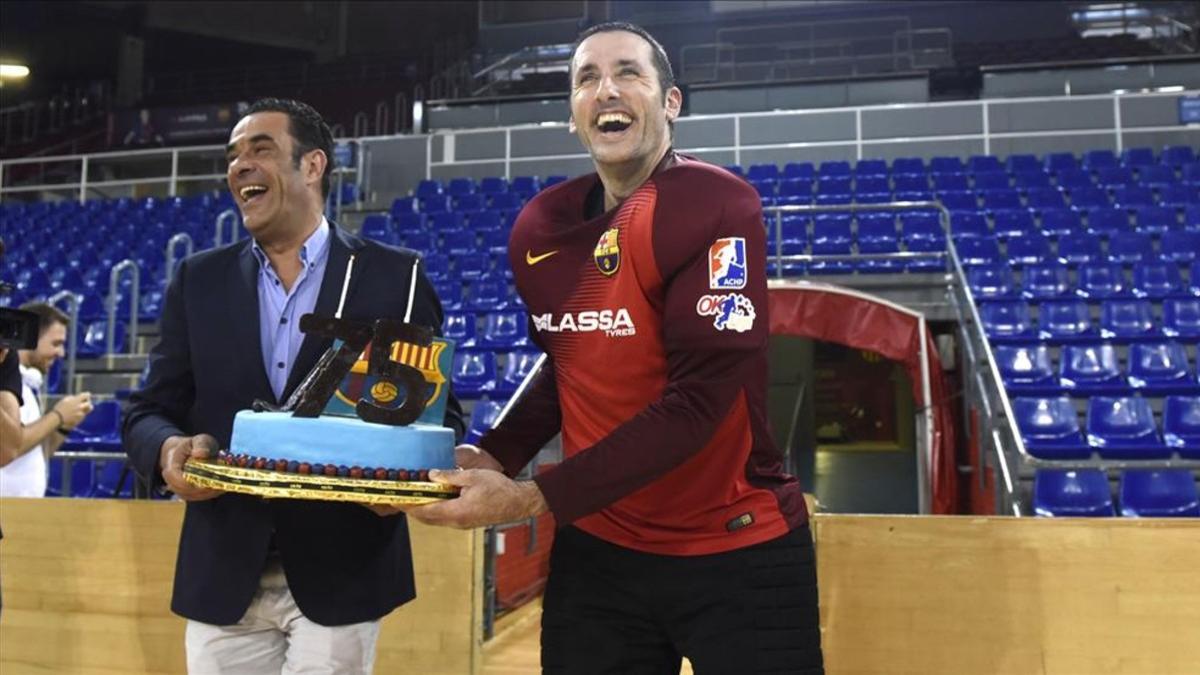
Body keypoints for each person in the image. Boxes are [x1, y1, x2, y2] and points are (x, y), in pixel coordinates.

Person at [406, 21, 824, 675]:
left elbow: (697, 404)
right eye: (586, 78)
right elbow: (568, 364)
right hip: (599, 557)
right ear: (573, 115)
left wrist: (528, 495)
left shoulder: (719, 205)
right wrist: (494, 451)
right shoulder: (539, 228)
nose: (607, 90)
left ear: (671, 102)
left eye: (629, 72)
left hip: (738, 549)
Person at [122, 97, 463, 674]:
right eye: (233, 157)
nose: (240, 167)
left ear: (312, 166)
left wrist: (407, 485)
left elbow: (439, 416)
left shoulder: (394, 274)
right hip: (223, 569)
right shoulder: (198, 280)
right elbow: (148, 410)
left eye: (261, 150)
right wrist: (167, 451)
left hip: (342, 569)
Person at [0, 302, 94, 497]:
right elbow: (10, 447)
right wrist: (58, 415)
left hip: (28, 509)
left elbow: (39, 454)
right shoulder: (7, 386)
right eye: (56, 343)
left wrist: (63, 426)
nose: (61, 353)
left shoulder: (31, 384)